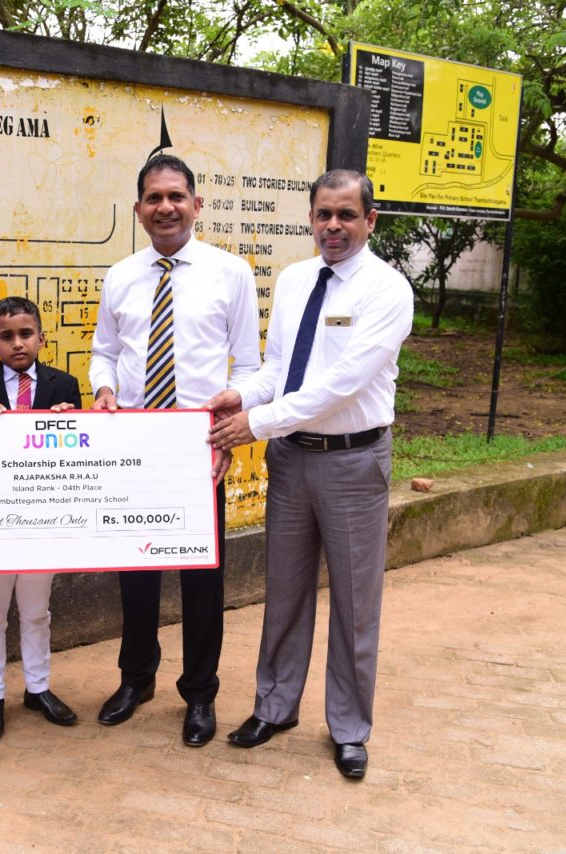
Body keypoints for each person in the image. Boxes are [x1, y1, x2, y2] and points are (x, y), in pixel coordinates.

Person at [207, 169, 413, 779]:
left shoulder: (387, 290)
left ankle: (349, 728)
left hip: (354, 460)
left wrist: (260, 421)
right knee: (285, 591)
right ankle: (275, 707)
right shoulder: (296, 279)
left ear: (370, 221)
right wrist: (240, 397)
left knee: (355, 601)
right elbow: (279, 367)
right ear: (312, 217)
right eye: (324, 214)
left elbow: (341, 382)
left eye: (347, 215)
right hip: (293, 459)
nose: (333, 226)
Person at [88, 154, 261, 747]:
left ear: (196, 205)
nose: (165, 207)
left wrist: (232, 420)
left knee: (201, 579)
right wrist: (105, 388)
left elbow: (253, 366)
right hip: (134, 445)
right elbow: (104, 352)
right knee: (135, 572)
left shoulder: (231, 272)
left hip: (198, 448)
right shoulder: (120, 275)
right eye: (153, 198)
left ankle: (200, 693)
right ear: (138, 209)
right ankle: (136, 679)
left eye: (176, 197)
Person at [0, 296, 82, 742]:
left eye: (25, 333)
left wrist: (71, 423)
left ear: (42, 338)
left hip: (42, 518)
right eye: (6, 336)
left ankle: (38, 687)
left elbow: (81, 449)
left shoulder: (63, 385)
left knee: (36, 610)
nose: (17, 343)